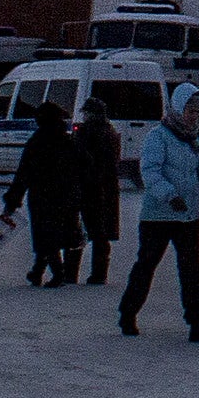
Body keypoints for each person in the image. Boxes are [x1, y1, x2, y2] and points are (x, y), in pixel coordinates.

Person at [117, 84, 199, 341]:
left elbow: (188, 172)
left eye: (197, 111)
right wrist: (169, 195)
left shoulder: (192, 136)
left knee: (191, 269)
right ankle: (128, 314)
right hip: (157, 217)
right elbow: (149, 171)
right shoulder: (158, 136)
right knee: (146, 266)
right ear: (177, 107)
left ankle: (197, 321)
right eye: (189, 110)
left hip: (187, 216)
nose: (193, 115)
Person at [2, 90, 85, 285]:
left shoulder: (37, 142)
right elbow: (85, 164)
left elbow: (23, 174)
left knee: (45, 235)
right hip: (67, 196)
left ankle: (57, 274)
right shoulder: (68, 141)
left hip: (43, 197)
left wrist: (12, 201)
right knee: (59, 234)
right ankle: (37, 271)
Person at [73, 99, 124, 286]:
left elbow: (78, 159)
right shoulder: (110, 132)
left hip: (88, 187)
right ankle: (99, 273)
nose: (84, 115)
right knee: (100, 233)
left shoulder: (87, 133)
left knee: (78, 229)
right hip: (106, 188)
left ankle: (71, 272)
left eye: (86, 112)